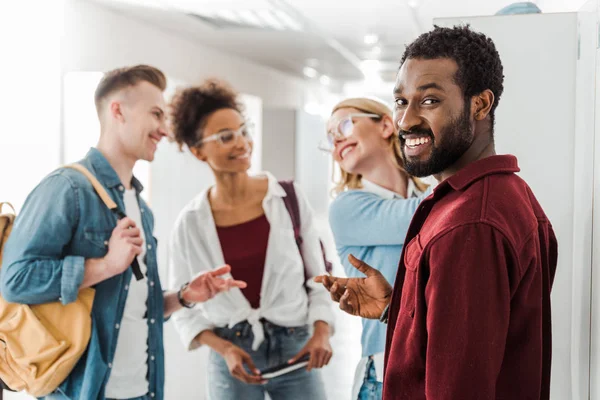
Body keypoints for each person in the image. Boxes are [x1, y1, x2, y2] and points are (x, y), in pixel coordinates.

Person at [315, 25, 558, 400]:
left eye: (429, 101)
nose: (407, 120)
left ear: (480, 104)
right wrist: (394, 310)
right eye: (400, 101)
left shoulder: (469, 223)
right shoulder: (507, 194)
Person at [0, 65, 246, 400]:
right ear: (118, 111)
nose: (164, 130)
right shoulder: (66, 188)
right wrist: (105, 266)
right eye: (156, 114)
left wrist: (186, 296)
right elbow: (15, 281)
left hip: (142, 390)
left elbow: (136, 309)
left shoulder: (140, 208)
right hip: (84, 391)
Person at [166, 79, 334, 400]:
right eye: (226, 137)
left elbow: (319, 278)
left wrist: (322, 332)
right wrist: (225, 349)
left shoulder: (288, 197)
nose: (242, 143)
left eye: (244, 131)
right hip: (232, 357)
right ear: (198, 150)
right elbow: (184, 308)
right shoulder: (190, 224)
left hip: (297, 349)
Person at [323, 97, 430, 400]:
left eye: (344, 125)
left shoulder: (425, 193)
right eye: (330, 138)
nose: (337, 139)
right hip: (386, 376)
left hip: (438, 367)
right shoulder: (346, 207)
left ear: (385, 125)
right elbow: (422, 215)